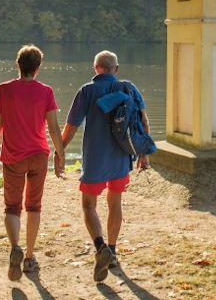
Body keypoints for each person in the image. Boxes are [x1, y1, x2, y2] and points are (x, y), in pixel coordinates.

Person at [60, 50, 150, 282]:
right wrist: (144, 154)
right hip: (121, 157)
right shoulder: (129, 88)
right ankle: (112, 249)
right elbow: (143, 120)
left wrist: (58, 151)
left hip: (94, 158)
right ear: (116, 69)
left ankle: (101, 248)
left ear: (95, 68)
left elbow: (71, 127)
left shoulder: (87, 91)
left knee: (89, 205)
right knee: (115, 204)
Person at [0, 45, 65, 281]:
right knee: (34, 206)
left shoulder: (3, 90)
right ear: (38, 68)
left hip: (13, 157)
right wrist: (60, 154)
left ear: (18, 65)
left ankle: (15, 248)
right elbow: (53, 128)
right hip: (39, 156)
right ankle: (30, 257)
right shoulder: (46, 92)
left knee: (12, 207)